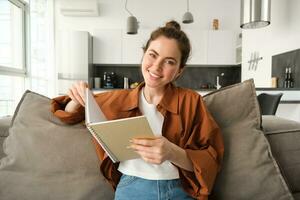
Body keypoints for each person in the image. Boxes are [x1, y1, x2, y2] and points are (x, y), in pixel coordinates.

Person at [51, 20, 224, 200]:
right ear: (143, 55)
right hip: (132, 188)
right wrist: (77, 96)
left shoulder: (191, 101)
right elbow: (70, 114)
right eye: (152, 55)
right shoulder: (116, 99)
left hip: (180, 189)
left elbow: (210, 159)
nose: (156, 67)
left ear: (179, 71)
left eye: (169, 62)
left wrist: (172, 152)